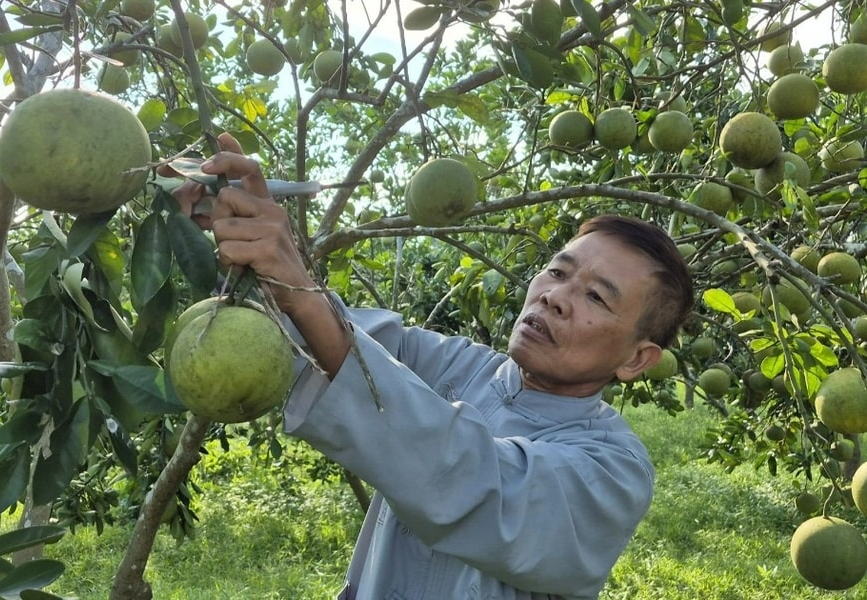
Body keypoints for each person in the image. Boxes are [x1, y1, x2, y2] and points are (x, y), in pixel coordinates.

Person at [164, 133, 695, 600]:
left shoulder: (614, 470)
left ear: (637, 358)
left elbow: (475, 483)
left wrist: (296, 282)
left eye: (598, 299)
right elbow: (337, 339)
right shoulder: (462, 368)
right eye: (558, 271)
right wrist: (246, 244)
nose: (555, 297)